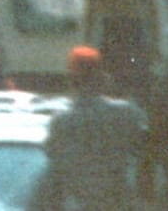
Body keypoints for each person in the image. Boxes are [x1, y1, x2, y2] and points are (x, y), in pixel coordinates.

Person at [31, 46, 147, 211]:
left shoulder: (61, 123)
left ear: (71, 80)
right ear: (102, 77)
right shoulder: (127, 113)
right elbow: (144, 151)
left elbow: (54, 170)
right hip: (120, 203)